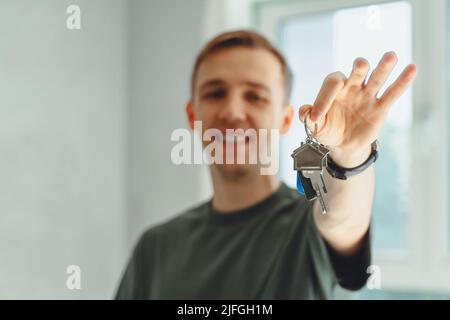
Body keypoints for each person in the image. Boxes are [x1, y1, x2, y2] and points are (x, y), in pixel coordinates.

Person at [115, 30, 416, 299]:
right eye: (216, 93)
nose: (233, 112)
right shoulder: (155, 248)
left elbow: (344, 219)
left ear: (284, 120)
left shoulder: (308, 228)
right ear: (193, 115)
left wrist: (351, 154)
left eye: (255, 96)